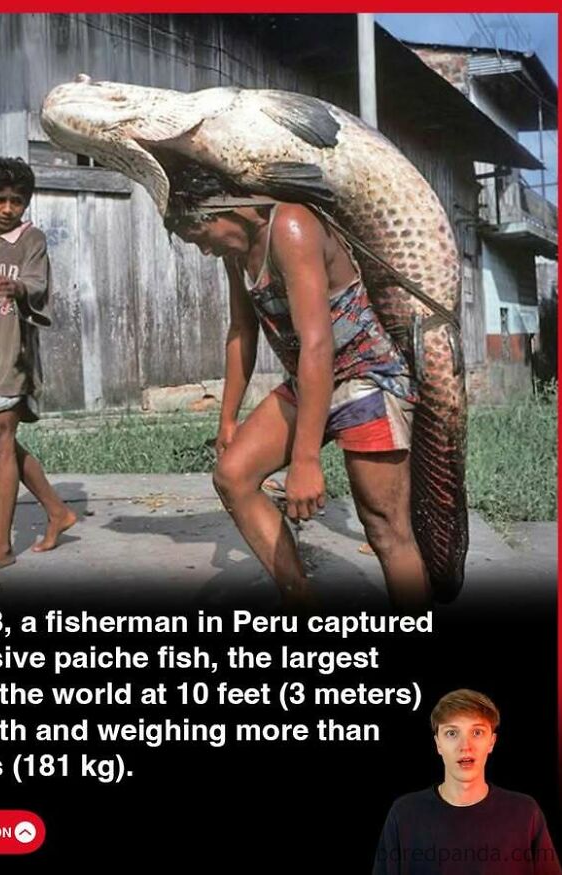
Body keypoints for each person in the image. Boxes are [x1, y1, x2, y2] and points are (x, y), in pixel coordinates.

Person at [164, 165, 427, 609]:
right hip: (309, 379)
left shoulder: (291, 225)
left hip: (366, 377)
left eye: (201, 237)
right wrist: (227, 418)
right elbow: (241, 331)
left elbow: (317, 343)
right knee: (233, 476)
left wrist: (305, 461)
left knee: (385, 527)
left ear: (226, 210)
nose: (205, 250)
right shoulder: (235, 252)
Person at [0, 157, 76, 574]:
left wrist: (19, 287)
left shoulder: (31, 239)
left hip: (13, 354)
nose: (8, 209)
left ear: (27, 202)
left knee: (0, 441)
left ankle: (0, 545)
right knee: (2, 443)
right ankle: (58, 511)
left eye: (17, 201)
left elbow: (39, 282)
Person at [372, 689, 562, 874]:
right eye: (452, 733)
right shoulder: (404, 813)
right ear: (438, 744)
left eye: (477, 732)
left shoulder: (526, 812)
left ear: (492, 742)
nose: (465, 746)